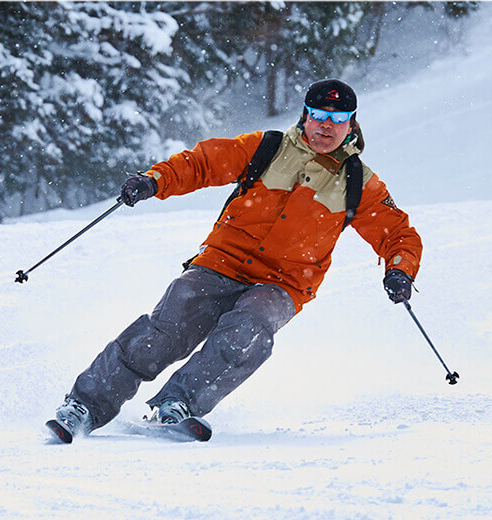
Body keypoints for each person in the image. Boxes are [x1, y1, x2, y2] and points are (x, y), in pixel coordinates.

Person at [49, 79, 422, 439]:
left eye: (338, 119)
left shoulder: (359, 181)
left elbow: (398, 234)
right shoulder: (266, 148)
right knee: (168, 325)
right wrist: (155, 181)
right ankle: (84, 405)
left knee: (250, 328)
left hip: (283, 282)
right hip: (222, 261)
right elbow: (202, 163)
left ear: (351, 123)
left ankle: (179, 403)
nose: (327, 125)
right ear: (304, 116)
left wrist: (400, 270)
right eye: (318, 114)